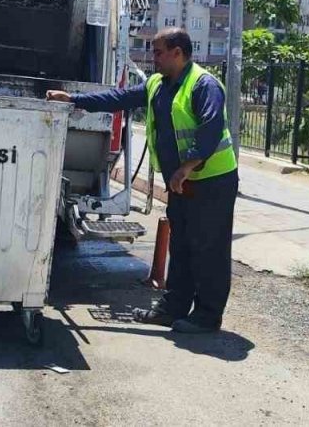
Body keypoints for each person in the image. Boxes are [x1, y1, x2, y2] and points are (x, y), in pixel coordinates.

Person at [47, 28, 238, 334]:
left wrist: (185, 166)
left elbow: (210, 129)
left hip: (212, 181)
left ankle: (207, 316)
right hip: (183, 183)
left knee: (209, 250)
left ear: (178, 52)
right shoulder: (157, 85)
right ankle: (172, 308)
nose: (154, 57)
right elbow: (119, 97)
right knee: (182, 246)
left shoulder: (203, 84)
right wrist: (75, 99)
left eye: (159, 51)